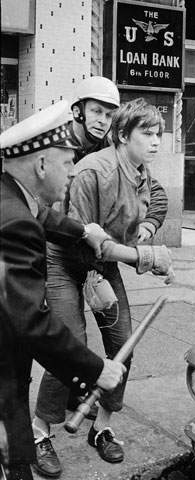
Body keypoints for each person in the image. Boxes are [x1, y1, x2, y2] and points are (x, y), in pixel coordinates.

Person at [31, 98, 174, 476]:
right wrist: (146, 257)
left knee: (122, 345)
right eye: (147, 133)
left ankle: (101, 426)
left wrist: (147, 228)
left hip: (102, 268)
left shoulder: (141, 171)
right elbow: (91, 239)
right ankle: (40, 430)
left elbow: (158, 199)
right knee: (70, 346)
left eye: (159, 133)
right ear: (123, 136)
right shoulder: (93, 171)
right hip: (64, 261)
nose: (157, 141)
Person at [0, 100, 127, 480]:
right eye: (67, 161)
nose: (73, 171)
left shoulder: (10, 194)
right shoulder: (14, 225)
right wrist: (95, 369)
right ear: (40, 165)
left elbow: (42, 215)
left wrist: (83, 231)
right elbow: (31, 322)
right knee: (12, 462)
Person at [66, 75, 168, 243]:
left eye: (109, 115)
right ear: (78, 112)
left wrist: (149, 223)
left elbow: (153, 191)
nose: (102, 121)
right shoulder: (55, 148)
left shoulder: (111, 148)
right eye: (96, 111)